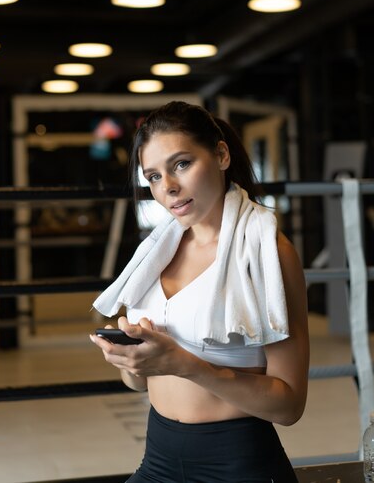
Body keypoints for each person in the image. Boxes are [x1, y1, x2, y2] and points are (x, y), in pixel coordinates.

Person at [90, 101, 309, 483]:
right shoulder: (157, 253)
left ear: (221, 155)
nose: (168, 188)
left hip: (237, 465)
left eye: (181, 164)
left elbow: (288, 405)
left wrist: (185, 365)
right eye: (153, 176)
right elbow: (141, 381)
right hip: (157, 459)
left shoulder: (266, 251)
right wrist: (131, 361)